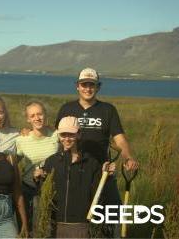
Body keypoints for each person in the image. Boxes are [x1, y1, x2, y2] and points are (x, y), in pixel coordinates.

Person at [54, 67, 139, 235]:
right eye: (84, 84)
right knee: (78, 218)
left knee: (113, 214)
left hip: (103, 171)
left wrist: (128, 157)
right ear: (77, 86)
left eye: (92, 85)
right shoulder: (66, 108)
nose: (88, 88)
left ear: (98, 87)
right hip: (74, 172)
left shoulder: (108, 110)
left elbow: (119, 137)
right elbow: (58, 136)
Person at [34, 116, 116, 238]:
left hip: (82, 226)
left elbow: (98, 195)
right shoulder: (52, 161)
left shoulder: (91, 163)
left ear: (79, 134)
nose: (67, 139)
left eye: (71, 134)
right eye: (63, 135)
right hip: (56, 225)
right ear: (58, 135)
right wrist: (37, 178)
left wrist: (106, 176)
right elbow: (43, 192)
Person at [15, 101, 60, 232]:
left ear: (45, 115)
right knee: (33, 228)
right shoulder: (22, 139)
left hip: (54, 189)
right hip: (31, 190)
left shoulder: (56, 135)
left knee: (51, 228)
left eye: (40, 114)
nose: (37, 118)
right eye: (33, 115)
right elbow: (13, 164)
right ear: (28, 119)